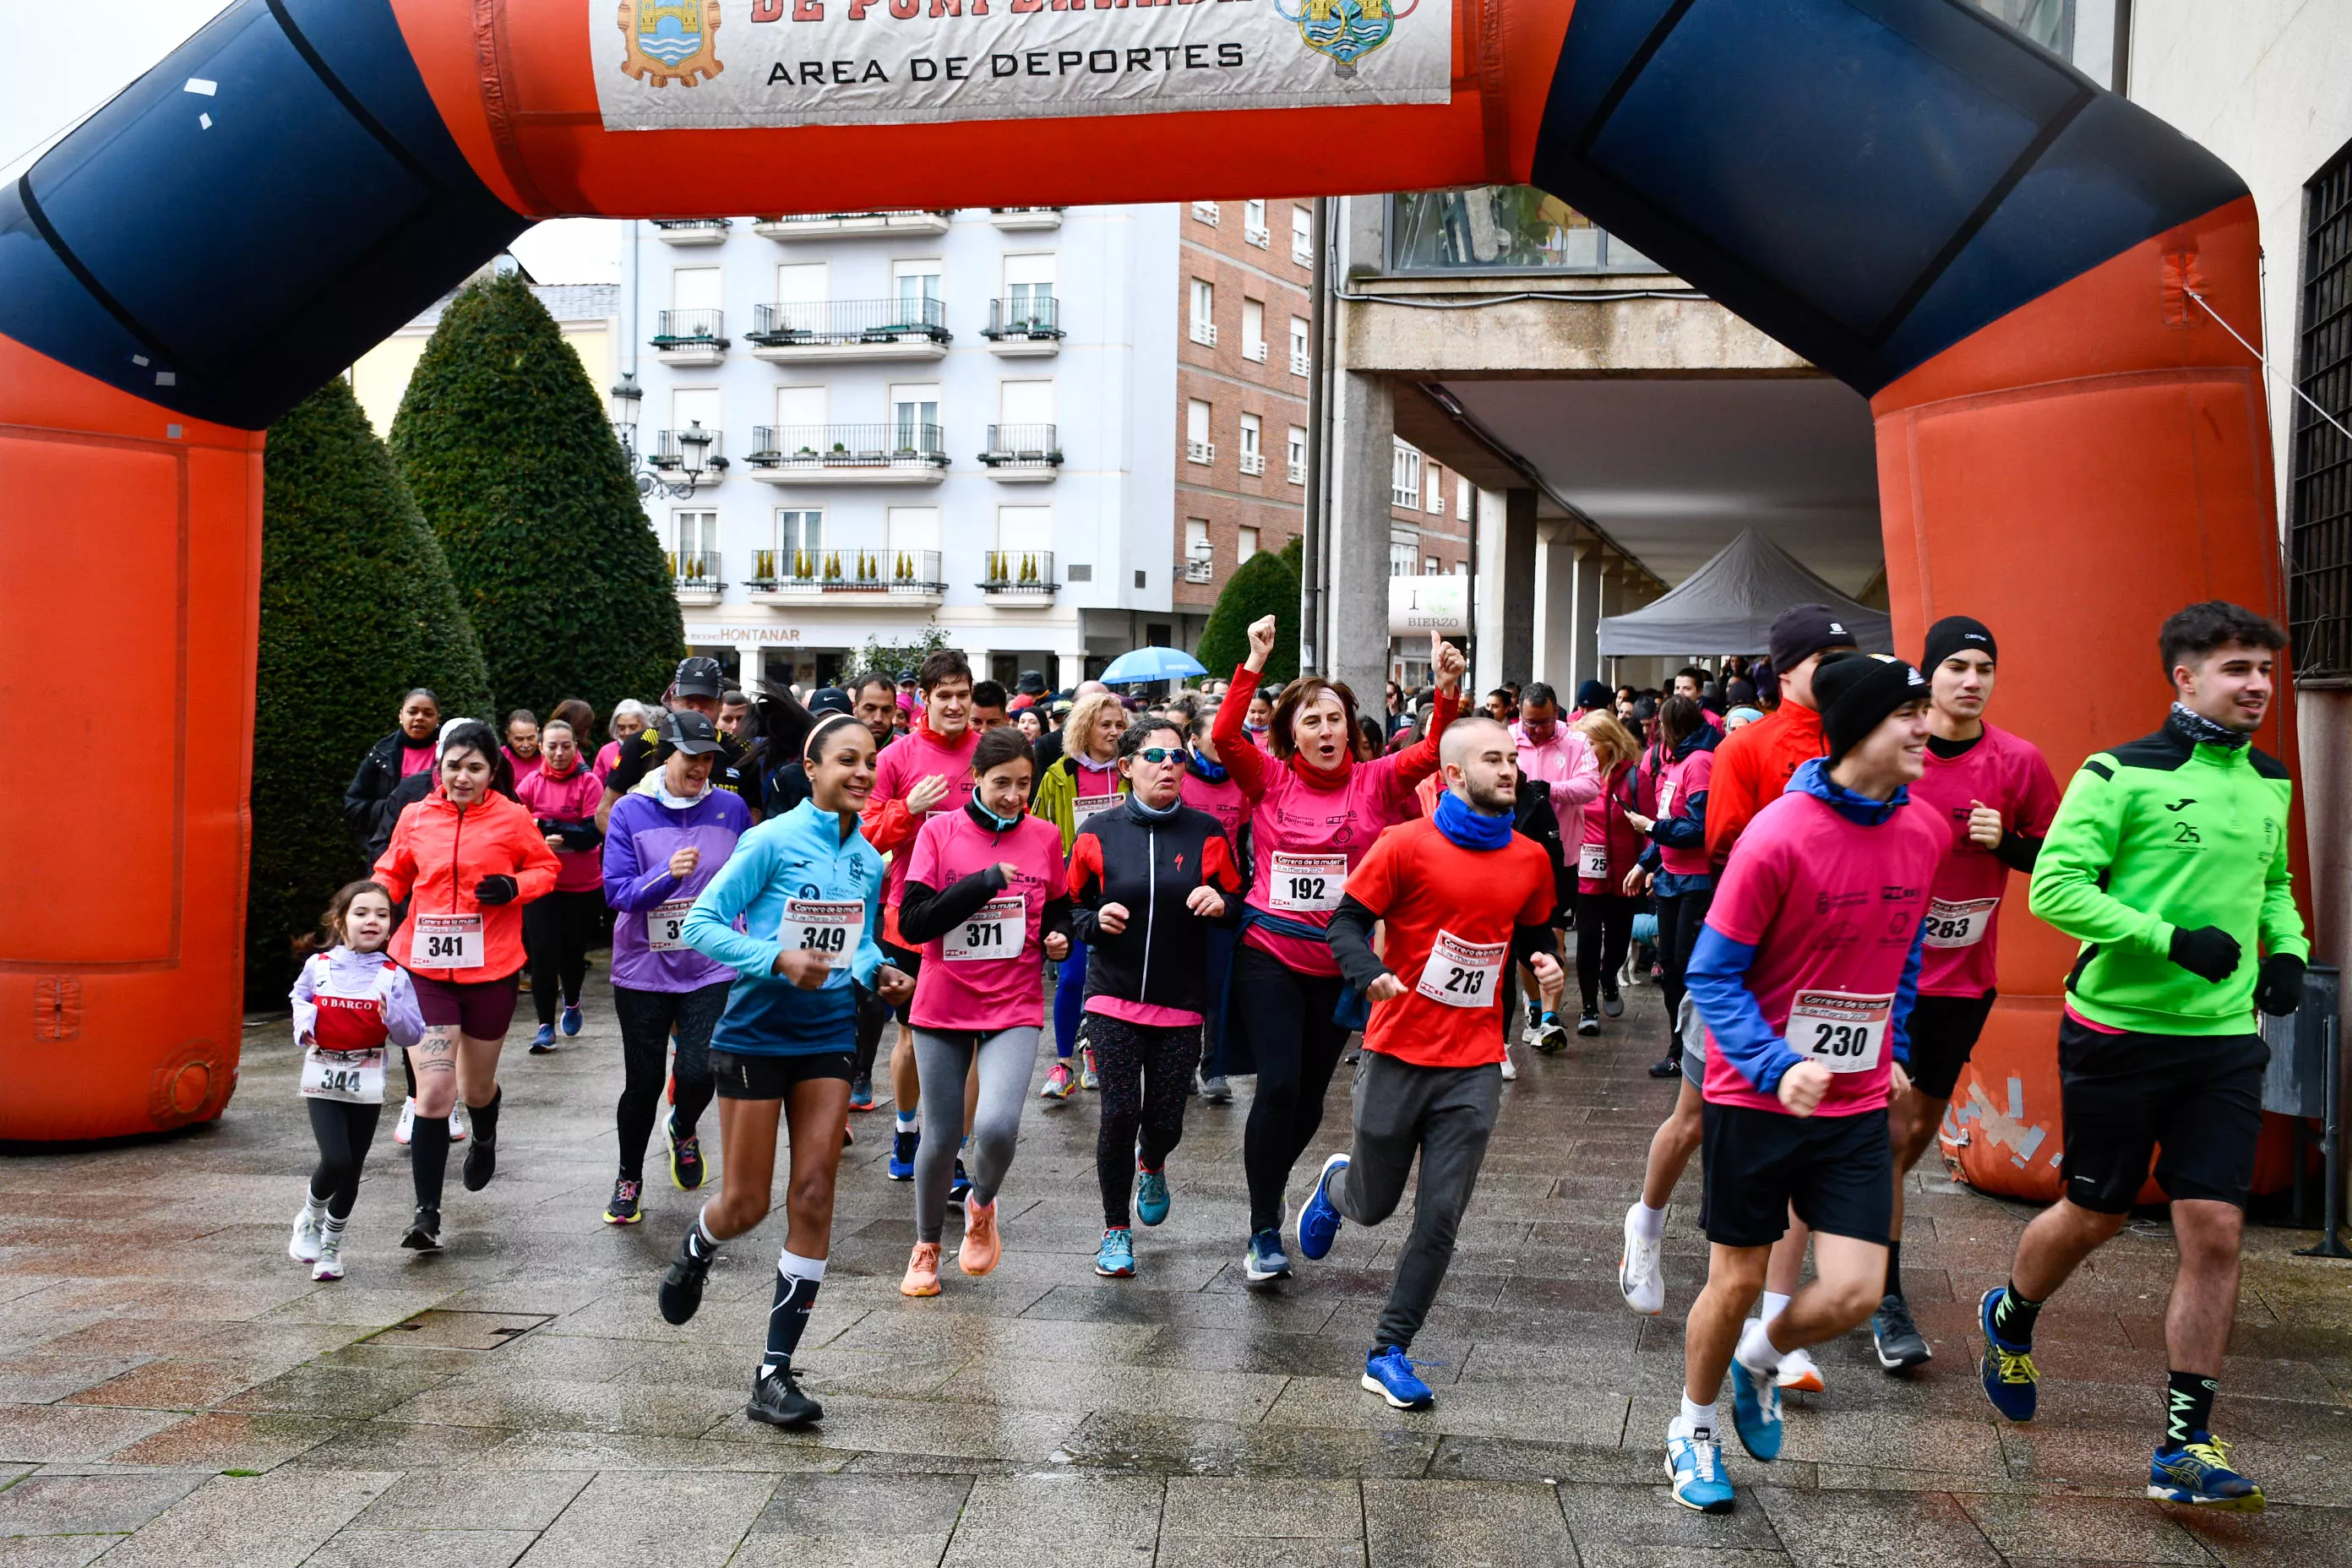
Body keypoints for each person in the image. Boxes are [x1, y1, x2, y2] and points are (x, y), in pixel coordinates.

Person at [1979, 602, 2304, 1511]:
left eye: (2267, 672)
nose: (2256, 686)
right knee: (2097, 1212)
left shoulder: (2269, 781)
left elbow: (2271, 884)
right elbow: (2056, 886)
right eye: (2237, 668)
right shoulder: (2118, 773)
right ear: (2185, 678)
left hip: (2223, 1042)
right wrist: (2168, 937)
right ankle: (2011, 1312)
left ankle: (2186, 1443)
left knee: (2215, 1229)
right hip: (2117, 1030)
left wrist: (2282, 946)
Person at [1663, 655, 1943, 1513]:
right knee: (1737, 1279)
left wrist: (1889, 1044)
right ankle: (1692, 1428)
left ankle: (1758, 1359)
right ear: (1861, 726)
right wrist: (1778, 1065)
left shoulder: (1924, 831)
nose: (1927, 727)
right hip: (1757, 1099)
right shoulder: (1778, 833)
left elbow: (1904, 957)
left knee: (1857, 1290)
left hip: (1855, 1102)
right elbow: (1711, 975)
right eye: (1911, 713)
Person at [1293, 716, 1564, 1407]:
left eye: (1513, 760)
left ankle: (1389, 1350)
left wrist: (1545, 964)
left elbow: (1534, 929)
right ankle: (1335, 1189)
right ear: (1451, 776)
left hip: (1474, 1063)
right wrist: (1369, 972)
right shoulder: (1403, 846)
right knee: (1375, 1206)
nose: (1509, 770)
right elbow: (1344, 923)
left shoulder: (1530, 857)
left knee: (1440, 1216)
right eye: (1494, 760)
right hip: (1396, 1050)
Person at [657, 712, 914, 1429]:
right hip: (756, 1032)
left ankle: (774, 1372)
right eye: (848, 761)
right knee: (745, 1205)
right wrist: (775, 957)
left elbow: (856, 943)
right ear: (812, 766)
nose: (862, 773)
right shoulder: (769, 840)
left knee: (814, 1190)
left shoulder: (868, 856)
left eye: (870, 762)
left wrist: (880, 971)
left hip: (828, 1032)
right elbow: (703, 922)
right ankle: (698, 1247)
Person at [1212, 615, 1464, 1286]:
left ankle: (1275, 1180)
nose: (1326, 731)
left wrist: (1445, 689)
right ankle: (1264, 1226)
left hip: (1342, 965)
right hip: (1268, 950)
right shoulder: (1266, 779)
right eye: (1311, 721)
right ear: (1291, 731)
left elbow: (1438, 749)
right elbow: (1222, 737)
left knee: (1310, 1104)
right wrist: (1254, 664)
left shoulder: (1378, 782)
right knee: (1280, 1085)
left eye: (1335, 720)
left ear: (1351, 728)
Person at [1869, 617, 2059, 1371]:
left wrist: (2005, 843)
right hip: (1885, 977)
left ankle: (1851, 1226)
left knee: (1914, 1135)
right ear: (1928, 676)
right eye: (1957, 666)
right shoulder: (1899, 751)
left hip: (1964, 982)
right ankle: (1883, 1294)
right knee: (1889, 1134)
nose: (1973, 680)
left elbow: (2064, 863)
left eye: (1985, 666)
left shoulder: (2019, 762)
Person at [1695, 604, 1859, 1386]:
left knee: (1813, 1132)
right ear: (1787, 669)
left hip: (1840, 988)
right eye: (1824, 661)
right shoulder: (1748, 745)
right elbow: (1724, 845)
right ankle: (1652, 1219)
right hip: (1751, 969)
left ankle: (1778, 1319)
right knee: (1693, 1118)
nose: (1838, 673)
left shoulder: (1861, 739)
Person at [893, 725, 1072, 1294]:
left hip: (1013, 1002)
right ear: (975, 779)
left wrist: (1060, 937)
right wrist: (984, 883)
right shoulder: (938, 832)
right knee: (941, 1138)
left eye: (1024, 784)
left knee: (996, 1126)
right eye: (1002, 784)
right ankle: (926, 1246)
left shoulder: (1044, 837)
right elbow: (916, 923)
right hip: (943, 1002)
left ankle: (983, 1205)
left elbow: (1061, 908)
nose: (1014, 796)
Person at [372, 720, 559, 1249]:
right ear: (439, 767)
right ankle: (426, 1213)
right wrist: (371, 902)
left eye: (474, 767)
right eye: (453, 766)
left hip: (491, 970)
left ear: (492, 772)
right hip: (424, 969)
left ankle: (485, 1133)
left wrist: (513, 886)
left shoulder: (513, 818)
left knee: (475, 1088)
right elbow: (393, 871)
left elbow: (545, 869)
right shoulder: (415, 816)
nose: (462, 776)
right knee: (434, 1092)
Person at [1067, 718, 1244, 1276]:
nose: (1169, 765)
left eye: (1178, 757)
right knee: (1119, 1112)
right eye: (1156, 756)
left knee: (1165, 1121)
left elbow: (1240, 902)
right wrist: (1095, 920)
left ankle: (1155, 1160)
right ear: (1126, 767)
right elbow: (1069, 909)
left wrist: (1220, 906)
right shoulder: (1097, 831)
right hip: (1112, 997)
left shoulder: (1207, 833)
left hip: (1180, 999)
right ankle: (1115, 1230)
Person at [599, 710, 753, 1225]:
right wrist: (666, 876)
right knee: (642, 1083)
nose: (702, 767)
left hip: (711, 962)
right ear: (667, 753)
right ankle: (628, 1177)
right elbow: (618, 894)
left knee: (700, 1068)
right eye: (692, 756)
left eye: (709, 758)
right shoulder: (629, 812)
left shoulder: (730, 809)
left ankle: (683, 1126)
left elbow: (749, 879)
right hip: (644, 967)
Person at [861, 650, 983, 1180]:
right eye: (945, 696)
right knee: (912, 1039)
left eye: (963, 695)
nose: (955, 705)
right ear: (925, 702)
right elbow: (863, 836)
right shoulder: (895, 758)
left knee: (974, 1040)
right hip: (912, 916)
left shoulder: (990, 751)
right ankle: (907, 1129)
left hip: (980, 918)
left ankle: (953, 1146)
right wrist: (907, 811)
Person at [287, 880, 425, 1282]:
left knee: (352, 1169)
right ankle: (309, 1219)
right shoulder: (320, 966)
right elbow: (300, 998)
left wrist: (392, 1014)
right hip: (322, 1073)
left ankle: (330, 1248)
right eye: (361, 913)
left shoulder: (393, 975)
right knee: (336, 1159)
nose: (372, 921)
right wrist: (304, 1025)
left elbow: (412, 1033)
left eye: (382, 915)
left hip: (366, 1078)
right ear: (340, 920)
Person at [1032, 688, 1131, 1097]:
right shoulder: (1060, 774)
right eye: (1104, 724)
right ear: (1084, 729)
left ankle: (1095, 1049)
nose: (1113, 732)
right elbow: (1038, 829)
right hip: (1073, 892)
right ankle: (1063, 1063)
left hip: (1124, 890)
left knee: (1111, 980)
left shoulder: (1131, 771)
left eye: (1119, 725)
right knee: (1072, 977)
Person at [1627, 695, 1718, 1081]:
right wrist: (1645, 862)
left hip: (1695, 882)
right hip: (1670, 879)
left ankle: (1690, 1050)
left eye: (1660, 725)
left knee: (1684, 968)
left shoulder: (1698, 763)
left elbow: (1699, 827)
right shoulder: (1678, 761)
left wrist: (1649, 828)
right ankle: (1678, 1048)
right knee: (1671, 969)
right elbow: (1670, 820)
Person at [515, 719, 604, 1053]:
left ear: (575, 747)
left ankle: (573, 1000)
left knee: (572, 955)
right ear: (541, 748)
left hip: (580, 885)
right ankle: (544, 1026)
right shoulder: (530, 784)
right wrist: (541, 835)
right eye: (552, 746)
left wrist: (546, 825)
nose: (559, 752)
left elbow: (591, 834)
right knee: (541, 956)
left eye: (566, 745)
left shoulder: (589, 782)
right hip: (540, 885)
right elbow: (515, 828)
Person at [600, 657, 760, 828]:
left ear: (720, 703)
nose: (697, 708)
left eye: (706, 700)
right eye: (688, 700)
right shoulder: (642, 743)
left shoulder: (743, 752)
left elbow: (753, 812)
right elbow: (605, 811)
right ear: (673, 699)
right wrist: (641, 849)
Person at [1182, 708, 1250, 1104]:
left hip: (1225, 896)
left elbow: (1243, 841)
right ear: (1194, 740)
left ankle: (1215, 1066)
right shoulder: (1181, 780)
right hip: (1183, 893)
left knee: (1219, 985)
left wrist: (1240, 894)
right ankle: (1184, 1060)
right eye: (1217, 737)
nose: (1225, 744)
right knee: (1186, 982)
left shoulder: (1239, 782)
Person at [1569, 711, 1645, 1036]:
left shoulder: (1634, 778)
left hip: (1625, 874)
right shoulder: (1578, 776)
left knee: (1616, 941)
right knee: (1586, 940)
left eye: (1590, 743)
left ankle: (1608, 976)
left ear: (1610, 743)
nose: (1583, 749)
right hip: (1586, 875)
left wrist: (1647, 867)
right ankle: (1588, 1008)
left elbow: (1648, 824)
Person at [344, 689, 441, 852]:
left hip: (436, 846)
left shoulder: (450, 753)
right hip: (389, 847)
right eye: (412, 712)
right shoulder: (380, 754)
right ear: (401, 715)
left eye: (428, 714)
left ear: (437, 719)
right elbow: (354, 805)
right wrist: (391, 809)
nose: (419, 718)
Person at [596, 700, 651, 782]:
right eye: (621, 728)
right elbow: (598, 786)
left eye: (633, 727)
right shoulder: (606, 751)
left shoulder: (653, 749)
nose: (627, 733)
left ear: (643, 725)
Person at [504, 710, 542, 784]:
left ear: (537, 733)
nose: (526, 745)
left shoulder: (549, 757)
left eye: (531, 738)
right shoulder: (500, 759)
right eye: (519, 739)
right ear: (508, 737)